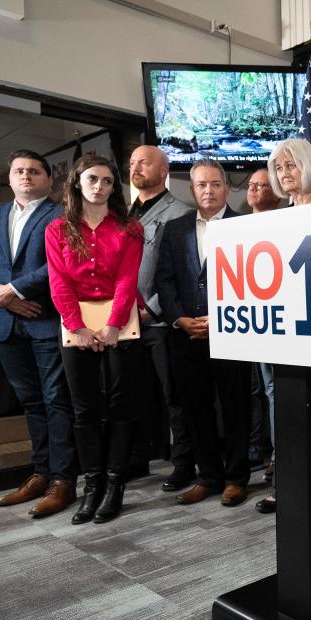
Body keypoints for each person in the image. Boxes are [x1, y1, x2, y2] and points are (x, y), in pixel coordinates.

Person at [0, 149, 76, 518]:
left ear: (49, 179)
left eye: (34, 171)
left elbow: (59, 264)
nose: (26, 176)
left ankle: (63, 480)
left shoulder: (62, 215)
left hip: (47, 320)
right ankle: (41, 472)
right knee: (31, 402)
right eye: (19, 171)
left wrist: (14, 290)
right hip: (4, 324)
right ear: (10, 178)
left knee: (56, 400)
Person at [45, 155, 144, 525]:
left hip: (120, 323)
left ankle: (115, 486)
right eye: (92, 179)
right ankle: (92, 486)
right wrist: (78, 326)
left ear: (114, 187)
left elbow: (126, 279)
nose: (99, 186)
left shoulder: (130, 228)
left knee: (121, 405)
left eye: (106, 180)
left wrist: (113, 325)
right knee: (84, 409)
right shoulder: (57, 230)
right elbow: (58, 282)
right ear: (76, 183)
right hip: (77, 323)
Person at [155, 158, 252, 508]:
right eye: (201, 185)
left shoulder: (245, 226)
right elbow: (164, 281)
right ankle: (208, 476)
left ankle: (237, 478)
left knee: (236, 408)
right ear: (192, 189)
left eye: (214, 184)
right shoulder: (175, 228)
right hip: (185, 335)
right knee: (196, 410)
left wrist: (222, 316)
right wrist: (179, 318)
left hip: (232, 331)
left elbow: (254, 283)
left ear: (226, 188)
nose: (208, 190)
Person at [251, 142, 311, 515]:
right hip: (279, 329)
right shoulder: (275, 218)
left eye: (291, 165)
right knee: (279, 405)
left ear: (308, 165)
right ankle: (285, 484)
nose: (284, 174)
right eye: (278, 168)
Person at [127, 144, 194, 491]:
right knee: (134, 394)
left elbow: (179, 273)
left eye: (145, 162)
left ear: (164, 169)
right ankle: (137, 460)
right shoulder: (121, 215)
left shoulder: (180, 213)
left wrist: (150, 308)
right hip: (123, 324)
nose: (136, 167)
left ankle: (184, 464)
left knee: (175, 397)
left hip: (159, 322)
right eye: (133, 162)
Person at [244, 168, 280, 479]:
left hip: (274, 322)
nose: (254, 188)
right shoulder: (236, 227)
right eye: (252, 184)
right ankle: (254, 450)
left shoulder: (283, 223)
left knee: (272, 390)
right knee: (251, 391)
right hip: (243, 323)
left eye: (262, 185)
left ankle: (277, 457)